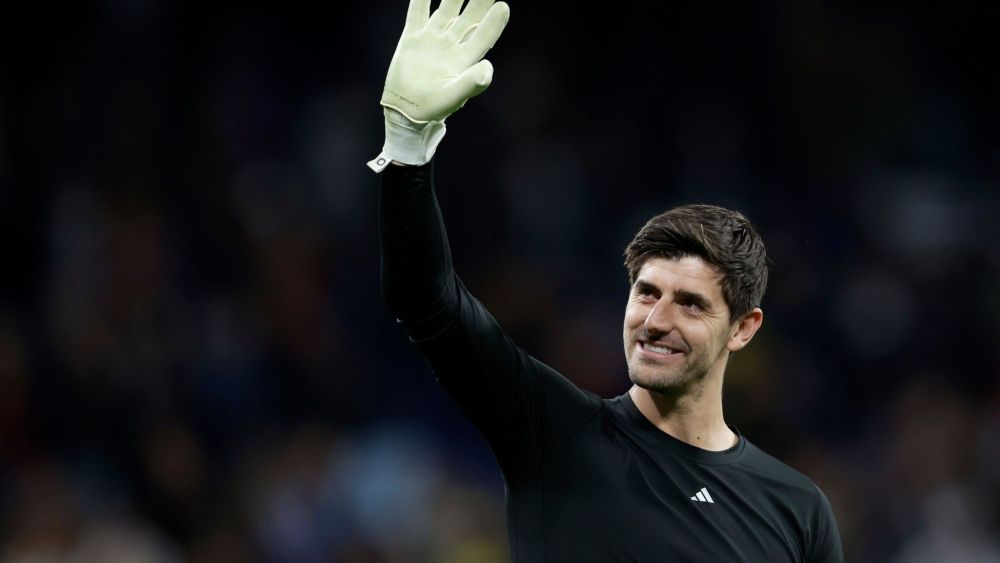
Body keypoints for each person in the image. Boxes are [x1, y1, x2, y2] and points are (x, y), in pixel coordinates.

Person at [368, 0, 844, 560]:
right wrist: (407, 148)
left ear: (743, 327)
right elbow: (425, 300)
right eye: (646, 293)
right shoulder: (555, 435)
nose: (656, 320)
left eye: (690, 304)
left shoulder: (797, 510)